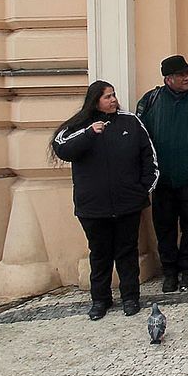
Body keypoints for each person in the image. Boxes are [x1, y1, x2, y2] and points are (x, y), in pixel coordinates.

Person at [53, 80, 160, 320]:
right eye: (106, 97)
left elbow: (149, 158)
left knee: (127, 253)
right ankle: (100, 300)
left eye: (113, 95)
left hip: (128, 204)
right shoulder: (79, 126)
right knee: (99, 255)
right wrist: (89, 134)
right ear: (95, 101)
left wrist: (143, 190)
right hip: (93, 207)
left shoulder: (130, 122)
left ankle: (131, 297)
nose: (112, 100)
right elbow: (61, 148)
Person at [138, 55, 188, 293]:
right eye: (181, 75)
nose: (187, 78)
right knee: (164, 226)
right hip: (161, 179)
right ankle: (170, 271)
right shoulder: (151, 101)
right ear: (168, 79)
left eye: (187, 73)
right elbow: (141, 138)